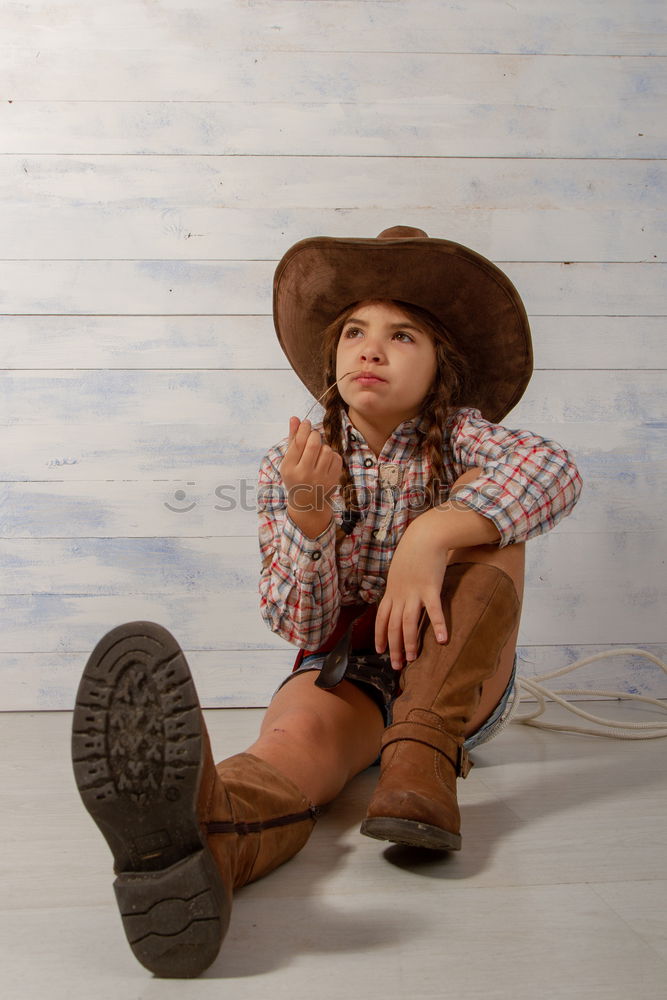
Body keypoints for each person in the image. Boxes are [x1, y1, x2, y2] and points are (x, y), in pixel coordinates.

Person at [72, 227, 582, 978]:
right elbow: (299, 626)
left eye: (400, 335)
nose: (368, 349)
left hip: (456, 676)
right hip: (357, 664)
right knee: (293, 740)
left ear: (441, 365)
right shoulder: (297, 462)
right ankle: (211, 840)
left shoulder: (466, 438)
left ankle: (422, 754)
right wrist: (311, 528)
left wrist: (432, 533)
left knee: (496, 522)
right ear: (333, 356)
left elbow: (554, 470)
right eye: (353, 331)